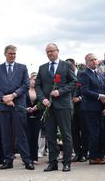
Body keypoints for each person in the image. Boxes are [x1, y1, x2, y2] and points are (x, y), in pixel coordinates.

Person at [0, 45, 33, 170]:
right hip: (3, 106)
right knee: (6, 134)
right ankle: (8, 160)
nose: (13, 56)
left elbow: (26, 85)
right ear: (5, 54)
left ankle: (27, 160)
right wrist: (4, 98)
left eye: (14, 53)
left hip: (18, 104)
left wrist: (13, 96)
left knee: (21, 134)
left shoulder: (22, 67)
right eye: (10, 53)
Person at [35, 43, 77, 172]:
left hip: (63, 105)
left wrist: (61, 91)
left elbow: (74, 82)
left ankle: (66, 162)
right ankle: (52, 162)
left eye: (51, 51)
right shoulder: (42, 68)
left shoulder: (66, 65)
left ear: (57, 51)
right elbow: (38, 85)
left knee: (66, 134)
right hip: (48, 107)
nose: (49, 54)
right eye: (47, 52)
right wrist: (43, 99)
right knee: (50, 135)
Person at [79, 53, 105, 165]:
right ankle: (93, 157)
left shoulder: (100, 74)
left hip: (100, 108)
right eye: (91, 60)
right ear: (86, 62)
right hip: (90, 108)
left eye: (95, 59)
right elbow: (84, 90)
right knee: (94, 133)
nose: (94, 61)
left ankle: (101, 155)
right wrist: (99, 96)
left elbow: (104, 89)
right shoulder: (84, 74)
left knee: (102, 132)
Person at [66, 58, 87, 162]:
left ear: (74, 65)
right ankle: (77, 153)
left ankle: (84, 153)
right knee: (73, 132)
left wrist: (79, 98)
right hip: (70, 108)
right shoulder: (66, 76)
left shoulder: (82, 74)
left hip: (82, 107)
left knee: (83, 131)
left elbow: (87, 89)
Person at [26, 72, 43, 163]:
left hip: (37, 116)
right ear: (30, 80)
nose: (35, 81)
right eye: (34, 79)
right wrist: (26, 108)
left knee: (35, 136)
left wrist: (37, 107)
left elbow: (43, 101)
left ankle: (34, 157)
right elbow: (20, 102)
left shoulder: (40, 91)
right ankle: (27, 157)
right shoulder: (25, 91)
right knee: (28, 136)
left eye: (37, 80)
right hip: (26, 116)